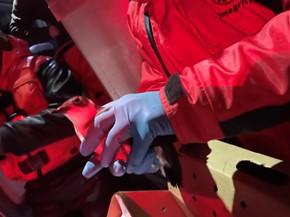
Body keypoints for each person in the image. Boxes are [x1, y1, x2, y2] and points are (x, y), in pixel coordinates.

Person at [79, 0, 290, 177]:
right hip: (263, 169)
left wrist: (177, 104)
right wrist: (143, 139)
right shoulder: (141, 12)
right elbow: (159, 80)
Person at [0, 31, 165, 217]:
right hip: (40, 193)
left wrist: (6, 137)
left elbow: (71, 113)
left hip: (89, 170)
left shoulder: (43, 67)